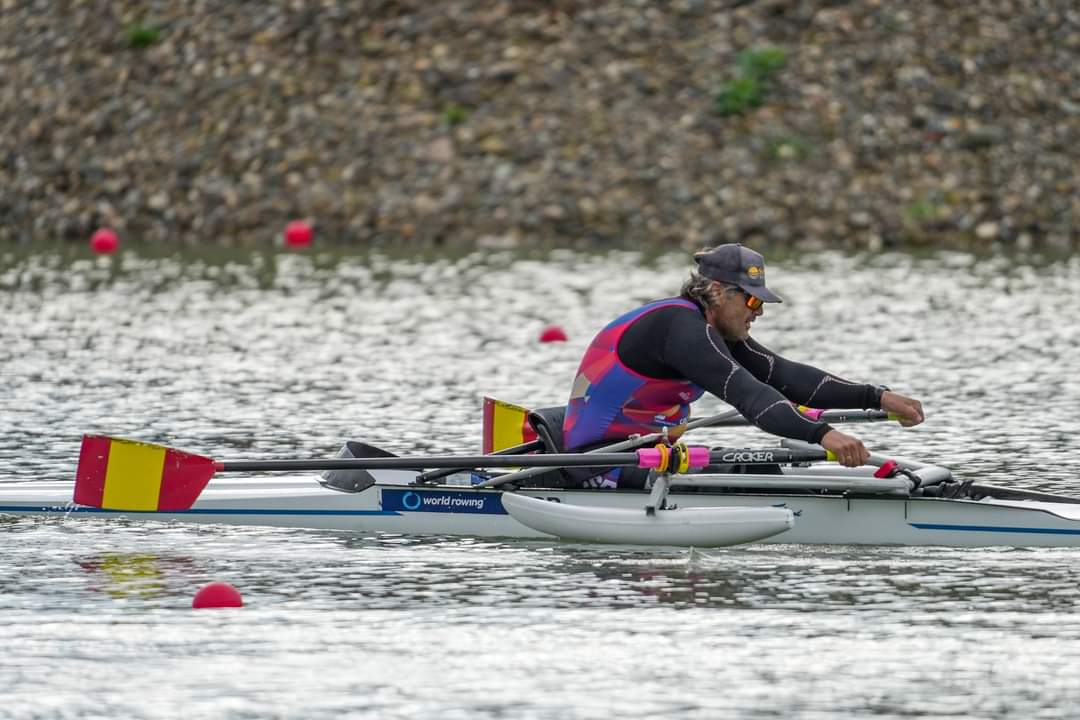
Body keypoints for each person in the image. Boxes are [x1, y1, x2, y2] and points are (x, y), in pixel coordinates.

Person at [561, 243, 924, 488]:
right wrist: (825, 435)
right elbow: (750, 396)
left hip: (647, 458)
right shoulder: (680, 329)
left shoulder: (707, 329)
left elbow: (785, 377)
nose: (759, 311)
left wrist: (877, 397)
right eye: (751, 300)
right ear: (718, 292)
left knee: (758, 469)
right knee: (746, 469)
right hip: (597, 466)